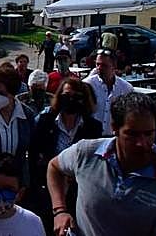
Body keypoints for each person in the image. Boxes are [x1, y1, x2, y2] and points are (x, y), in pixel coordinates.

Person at [48, 92, 156, 236]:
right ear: (114, 127)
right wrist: (60, 211)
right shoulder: (86, 153)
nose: (142, 143)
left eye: (148, 134)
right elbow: (54, 167)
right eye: (132, 134)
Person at [29, 79, 102, 225]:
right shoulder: (45, 121)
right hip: (47, 190)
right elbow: (33, 154)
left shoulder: (93, 127)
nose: (70, 100)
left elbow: (94, 162)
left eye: (76, 96)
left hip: (79, 193)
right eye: (67, 95)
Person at [84, 49, 133, 136]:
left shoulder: (126, 88)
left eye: (104, 65)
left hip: (114, 137)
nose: (99, 68)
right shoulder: (87, 85)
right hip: (91, 136)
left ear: (114, 66)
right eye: (97, 64)